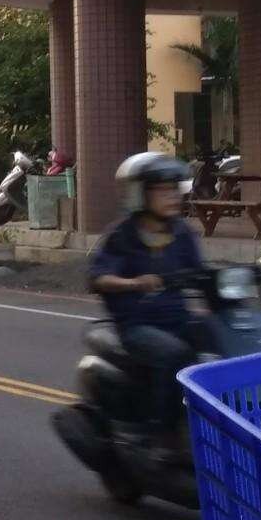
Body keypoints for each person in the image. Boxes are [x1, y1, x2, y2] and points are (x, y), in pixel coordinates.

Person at [89, 152, 209, 454]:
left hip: (178, 318)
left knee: (217, 338)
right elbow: (98, 278)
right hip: (137, 325)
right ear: (139, 194)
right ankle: (161, 434)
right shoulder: (121, 235)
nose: (172, 196)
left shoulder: (182, 233)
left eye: (174, 189)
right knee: (175, 355)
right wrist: (134, 283)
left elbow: (201, 273)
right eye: (162, 190)